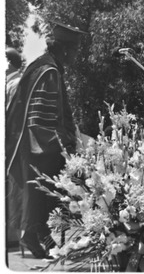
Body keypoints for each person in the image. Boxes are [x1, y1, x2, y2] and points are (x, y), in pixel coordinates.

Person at [6, 20, 87, 258]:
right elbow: (40, 120)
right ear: (64, 49)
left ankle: (39, 232)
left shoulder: (42, 66)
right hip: (39, 147)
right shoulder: (49, 72)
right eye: (74, 50)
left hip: (33, 144)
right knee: (72, 175)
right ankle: (36, 231)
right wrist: (66, 147)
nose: (76, 55)